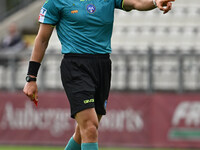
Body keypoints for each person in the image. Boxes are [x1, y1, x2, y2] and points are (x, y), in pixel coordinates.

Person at [23, 0, 175, 150]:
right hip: (75, 66)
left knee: (83, 132)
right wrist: (31, 78)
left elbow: (137, 3)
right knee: (90, 127)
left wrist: (155, 2)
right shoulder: (56, 3)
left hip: (102, 65)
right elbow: (42, 40)